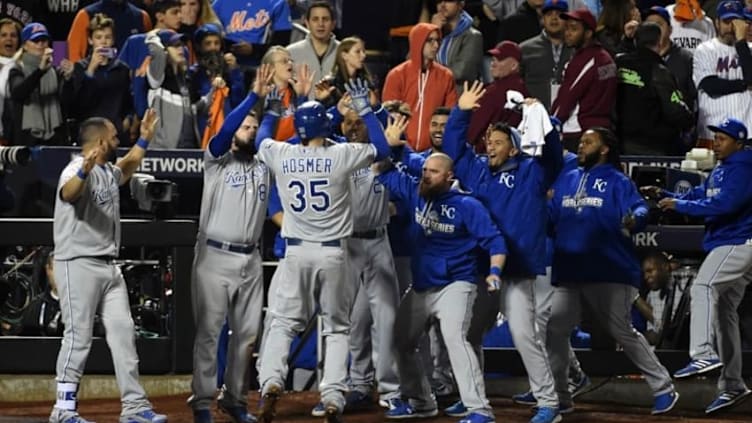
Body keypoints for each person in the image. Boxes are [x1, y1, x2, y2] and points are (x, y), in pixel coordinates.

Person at [253, 76, 391, 423]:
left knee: (283, 323)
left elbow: (260, 138)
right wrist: (365, 109)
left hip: (296, 251)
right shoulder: (340, 154)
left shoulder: (282, 153)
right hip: (333, 253)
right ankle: (332, 397)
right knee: (337, 328)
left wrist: (271, 110)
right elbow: (383, 149)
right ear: (325, 126)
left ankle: (271, 382)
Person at [439, 82, 564, 423]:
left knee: (524, 335)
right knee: (469, 334)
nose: (489, 147)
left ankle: (548, 403)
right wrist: (461, 112)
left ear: (514, 149)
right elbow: (454, 149)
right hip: (482, 266)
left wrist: (543, 118)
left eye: (497, 143)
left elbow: (554, 154)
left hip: (517, 268)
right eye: (488, 142)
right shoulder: (478, 171)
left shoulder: (532, 172)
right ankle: (473, 399)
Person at [546, 126, 678, 416]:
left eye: (588, 142)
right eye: (580, 142)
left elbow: (639, 209)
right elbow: (551, 216)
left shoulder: (618, 181)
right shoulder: (567, 178)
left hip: (608, 268)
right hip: (569, 268)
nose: (581, 146)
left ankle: (664, 387)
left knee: (621, 330)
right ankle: (561, 395)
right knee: (555, 329)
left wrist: (636, 218)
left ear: (604, 149)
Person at [49, 109, 165, 423]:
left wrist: (145, 139)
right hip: (79, 263)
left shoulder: (106, 170)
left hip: (109, 266)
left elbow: (126, 167)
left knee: (124, 334)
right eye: (114, 136)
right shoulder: (76, 168)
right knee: (78, 338)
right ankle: (63, 410)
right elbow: (69, 193)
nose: (118, 140)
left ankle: (134, 407)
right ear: (100, 141)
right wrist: (84, 171)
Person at [374, 148, 505, 423]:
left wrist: (494, 272)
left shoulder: (468, 205)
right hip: (423, 285)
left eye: (433, 172)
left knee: (456, 340)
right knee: (401, 340)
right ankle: (421, 401)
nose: (426, 176)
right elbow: (383, 164)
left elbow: (494, 241)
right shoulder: (416, 192)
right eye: (424, 171)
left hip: (457, 284)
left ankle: (480, 409)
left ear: (449, 176)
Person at [643, 118, 752, 413]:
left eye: (724, 138)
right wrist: (668, 197)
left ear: (739, 143)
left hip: (740, 241)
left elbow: (724, 206)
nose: (717, 141)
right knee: (723, 311)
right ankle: (732, 384)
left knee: (703, 286)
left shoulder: (744, 166)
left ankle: (703, 352)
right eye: (716, 136)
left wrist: (681, 207)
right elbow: (701, 195)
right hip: (729, 243)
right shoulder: (723, 167)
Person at [188, 68, 270, 423]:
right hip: (214, 255)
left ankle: (235, 399)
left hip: (250, 259)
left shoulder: (265, 164)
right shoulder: (216, 159)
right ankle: (203, 401)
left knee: (247, 336)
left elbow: (274, 128)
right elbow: (223, 132)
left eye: (253, 127)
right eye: (244, 126)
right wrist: (252, 97)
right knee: (209, 333)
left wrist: (276, 100)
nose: (249, 130)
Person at [614, 21, 693, 155]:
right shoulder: (658, 71)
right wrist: (689, 120)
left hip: (619, 141)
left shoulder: (618, 62)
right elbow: (674, 110)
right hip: (650, 147)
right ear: (659, 43)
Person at [382, 22, 457, 152]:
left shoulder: (446, 76)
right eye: (430, 41)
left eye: (438, 40)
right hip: (401, 149)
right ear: (418, 42)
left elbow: (451, 116)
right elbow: (388, 114)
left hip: (432, 152)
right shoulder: (397, 75)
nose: (436, 45)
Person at [551, 8, 617, 150]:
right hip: (601, 129)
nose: (567, 33)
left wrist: (552, 122)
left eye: (574, 29)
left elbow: (568, 95)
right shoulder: (604, 57)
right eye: (567, 27)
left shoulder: (587, 59)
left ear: (588, 33)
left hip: (580, 131)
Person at [62, 13, 132, 146]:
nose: (103, 42)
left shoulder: (122, 69)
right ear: (90, 40)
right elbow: (77, 106)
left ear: (113, 40)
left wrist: (128, 119)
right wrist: (91, 70)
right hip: (91, 136)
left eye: (108, 37)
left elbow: (128, 101)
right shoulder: (80, 68)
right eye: (98, 37)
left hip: (117, 136)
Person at [692, 1, 752, 148]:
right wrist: (744, 84)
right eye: (726, 22)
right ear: (717, 23)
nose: (731, 27)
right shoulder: (705, 49)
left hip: (747, 136)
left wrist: (741, 42)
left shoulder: (749, 49)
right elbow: (711, 86)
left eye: (736, 22)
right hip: (712, 134)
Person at [8, 22, 71, 146]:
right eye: (36, 41)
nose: (41, 45)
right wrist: (40, 71)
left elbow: (67, 102)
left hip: (56, 137)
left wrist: (69, 79)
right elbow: (18, 93)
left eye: (44, 40)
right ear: (25, 46)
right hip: (27, 138)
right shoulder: (17, 68)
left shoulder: (56, 69)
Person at [520, 0, 573, 111]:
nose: (554, 18)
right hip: (534, 115)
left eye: (559, 15)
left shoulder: (577, 48)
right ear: (542, 19)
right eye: (549, 14)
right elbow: (517, 84)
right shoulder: (525, 49)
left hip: (569, 114)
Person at [637, 252, 696, 348]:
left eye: (650, 271)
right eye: (644, 273)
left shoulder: (683, 285)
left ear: (665, 267)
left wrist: (636, 298)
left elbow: (666, 328)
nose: (646, 277)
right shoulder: (652, 294)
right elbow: (654, 333)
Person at [67, 0, 153, 63]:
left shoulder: (141, 16)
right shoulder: (85, 14)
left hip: (129, 81)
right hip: (61, 47)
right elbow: (59, 34)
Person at [287, 1, 339, 100]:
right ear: (307, 23)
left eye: (325, 19)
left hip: (338, 112)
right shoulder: (290, 52)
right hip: (300, 112)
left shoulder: (344, 52)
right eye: (315, 19)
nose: (320, 24)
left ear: (333, 24)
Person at [431, 0, 483, 92]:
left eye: (448, 1)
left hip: (458, 97)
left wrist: (427, 70)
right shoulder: (431, 32)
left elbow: (460, 72)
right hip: (430, 94)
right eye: (439, 1)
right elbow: (411, 63)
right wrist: (430, 32)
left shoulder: (472, 36)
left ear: (461, 5)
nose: (442, 5)